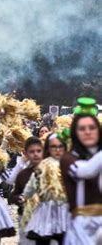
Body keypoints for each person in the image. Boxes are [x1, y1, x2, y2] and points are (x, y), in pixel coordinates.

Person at [60, 98, 102, 245]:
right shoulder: (68, 158)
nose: (88, 132)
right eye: (82, 129)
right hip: (81, 227)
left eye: (92, 128)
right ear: (75, 133)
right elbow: (85, 171)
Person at [22, 133, 69, 245]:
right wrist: (25, 195)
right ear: (48, 149)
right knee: (43, 238)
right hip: (46, 208)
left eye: (60, 146)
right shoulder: (43, 165)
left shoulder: (68, 164)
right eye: (54, 147)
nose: (57, 150)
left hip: (64, 209)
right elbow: (32, 183)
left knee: (64, 238)